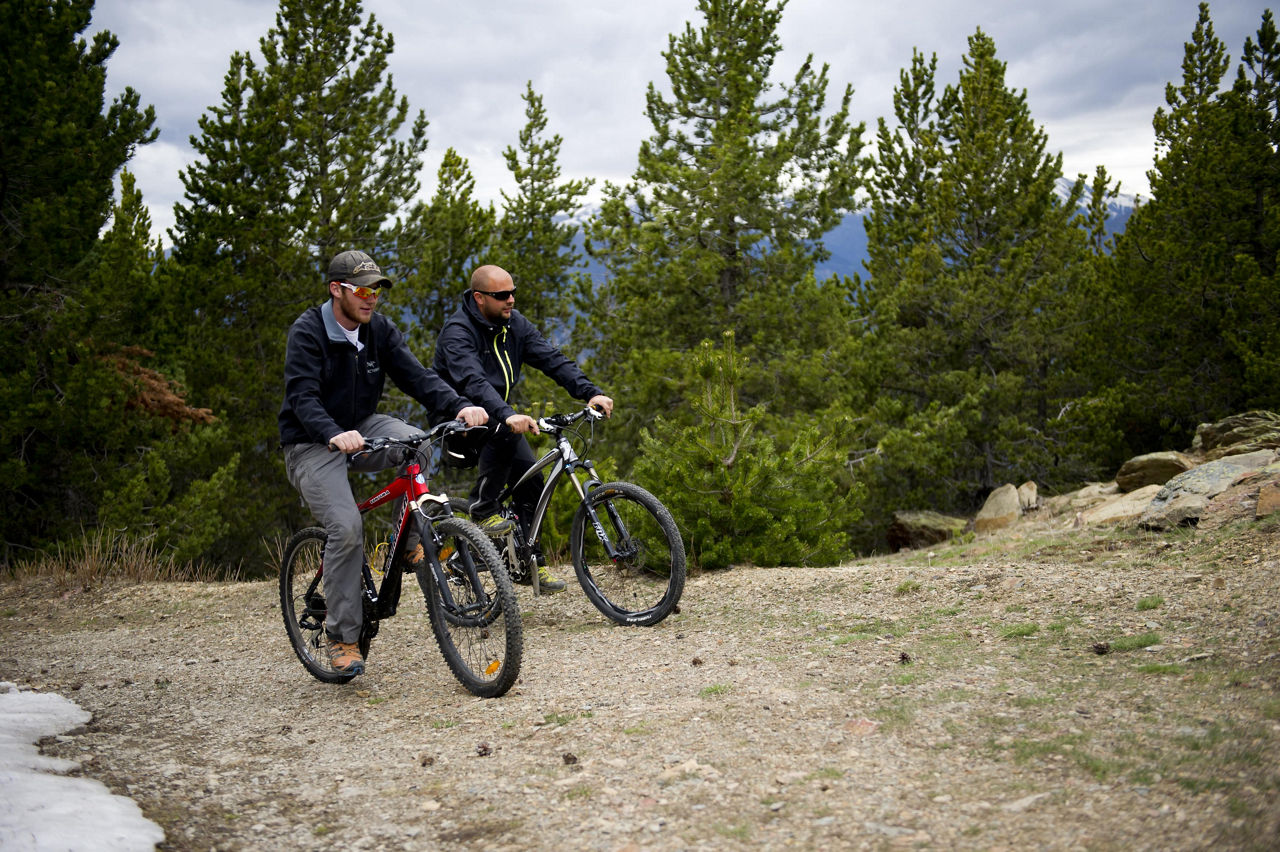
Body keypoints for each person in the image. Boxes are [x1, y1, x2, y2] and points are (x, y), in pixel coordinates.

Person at [279, 250, 488, 677]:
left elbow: (418, 377)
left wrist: (459, 405)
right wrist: (332, 432)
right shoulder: (308, 331)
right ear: (336, 290)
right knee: (346, 528)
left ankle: (407, 544)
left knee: (419, 445)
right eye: (361, 290)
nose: (371, 298)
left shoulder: (378, 329)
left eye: (376, 290)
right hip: (311, 442)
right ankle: (342, 637)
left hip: (361, 428)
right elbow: (302, 397)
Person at [433, 264, 613, 594]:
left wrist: (591, 392)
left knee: (532, 482)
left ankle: (531, 564)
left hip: (497, 416)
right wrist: (507, 414)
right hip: (458, 420)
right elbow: (473, 382)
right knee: (504, 430)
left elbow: (552, 359)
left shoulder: (514, 325)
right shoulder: (458, 332)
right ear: (479, 298)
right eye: (502, 295)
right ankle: (483, 509)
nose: (511, 300)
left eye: (513, 293)